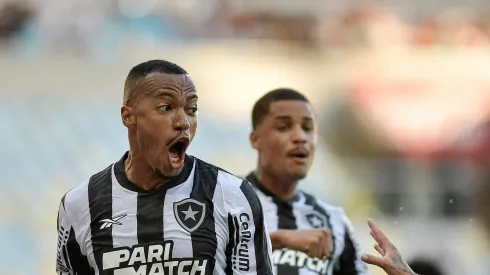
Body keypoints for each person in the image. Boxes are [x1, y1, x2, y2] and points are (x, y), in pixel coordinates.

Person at [55, 60, 274, 275]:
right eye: (166, 107)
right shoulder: (80, 204)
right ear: (128, 116)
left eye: (191, 109)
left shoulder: (232, 196)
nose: (183, 122)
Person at [245, 88, 368, 275]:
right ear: (256, 140)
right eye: (283, 127)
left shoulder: (333, 220)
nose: (300, 137)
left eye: (307, 128)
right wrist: (278, 241)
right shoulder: (222, 202)